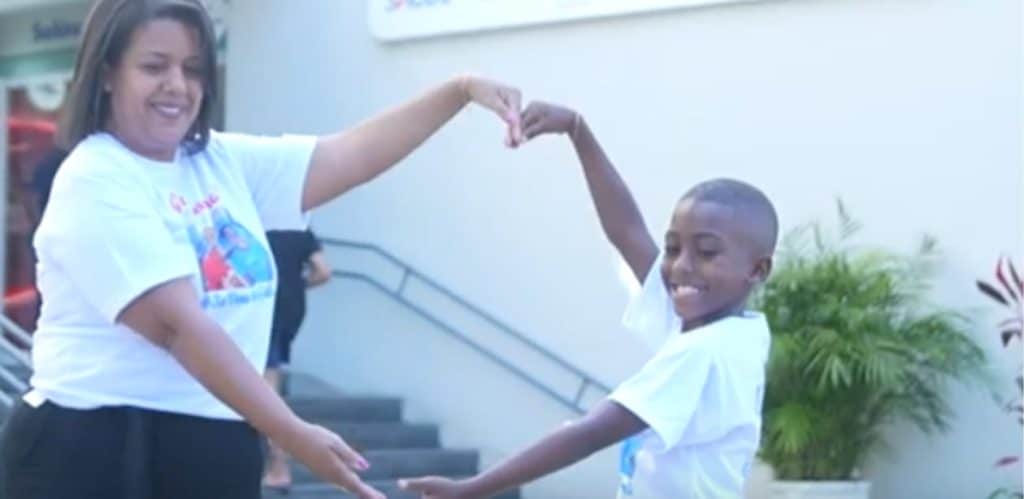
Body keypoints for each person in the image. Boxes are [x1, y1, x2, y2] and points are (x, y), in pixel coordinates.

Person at [0, 1, 524, 498]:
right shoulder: (96, 177)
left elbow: (347, 156)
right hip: (99, 448)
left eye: (193, 68)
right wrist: (291, 432)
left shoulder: (217, 160)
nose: (177, 86)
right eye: (154, 66)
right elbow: (179, 327)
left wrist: (457, 93)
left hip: (213, 441)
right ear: (108, 73)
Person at [401, 101, 778, 499]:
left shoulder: (704, 353)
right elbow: (627, 230)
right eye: (673, 248)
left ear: (757, 270)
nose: (682, 266)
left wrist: (473, 488)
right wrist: (579, 132)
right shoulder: (732, 329)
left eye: (706, 251)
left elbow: (588, 434)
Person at [262, 226, 332, 490]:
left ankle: (279, 466)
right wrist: (294, 284)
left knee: (265, 389)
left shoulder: (250, 215)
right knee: (270, 381)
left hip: (261, 305)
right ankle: (277, 465)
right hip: (291, 307)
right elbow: (323, 271)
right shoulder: (299, 225)